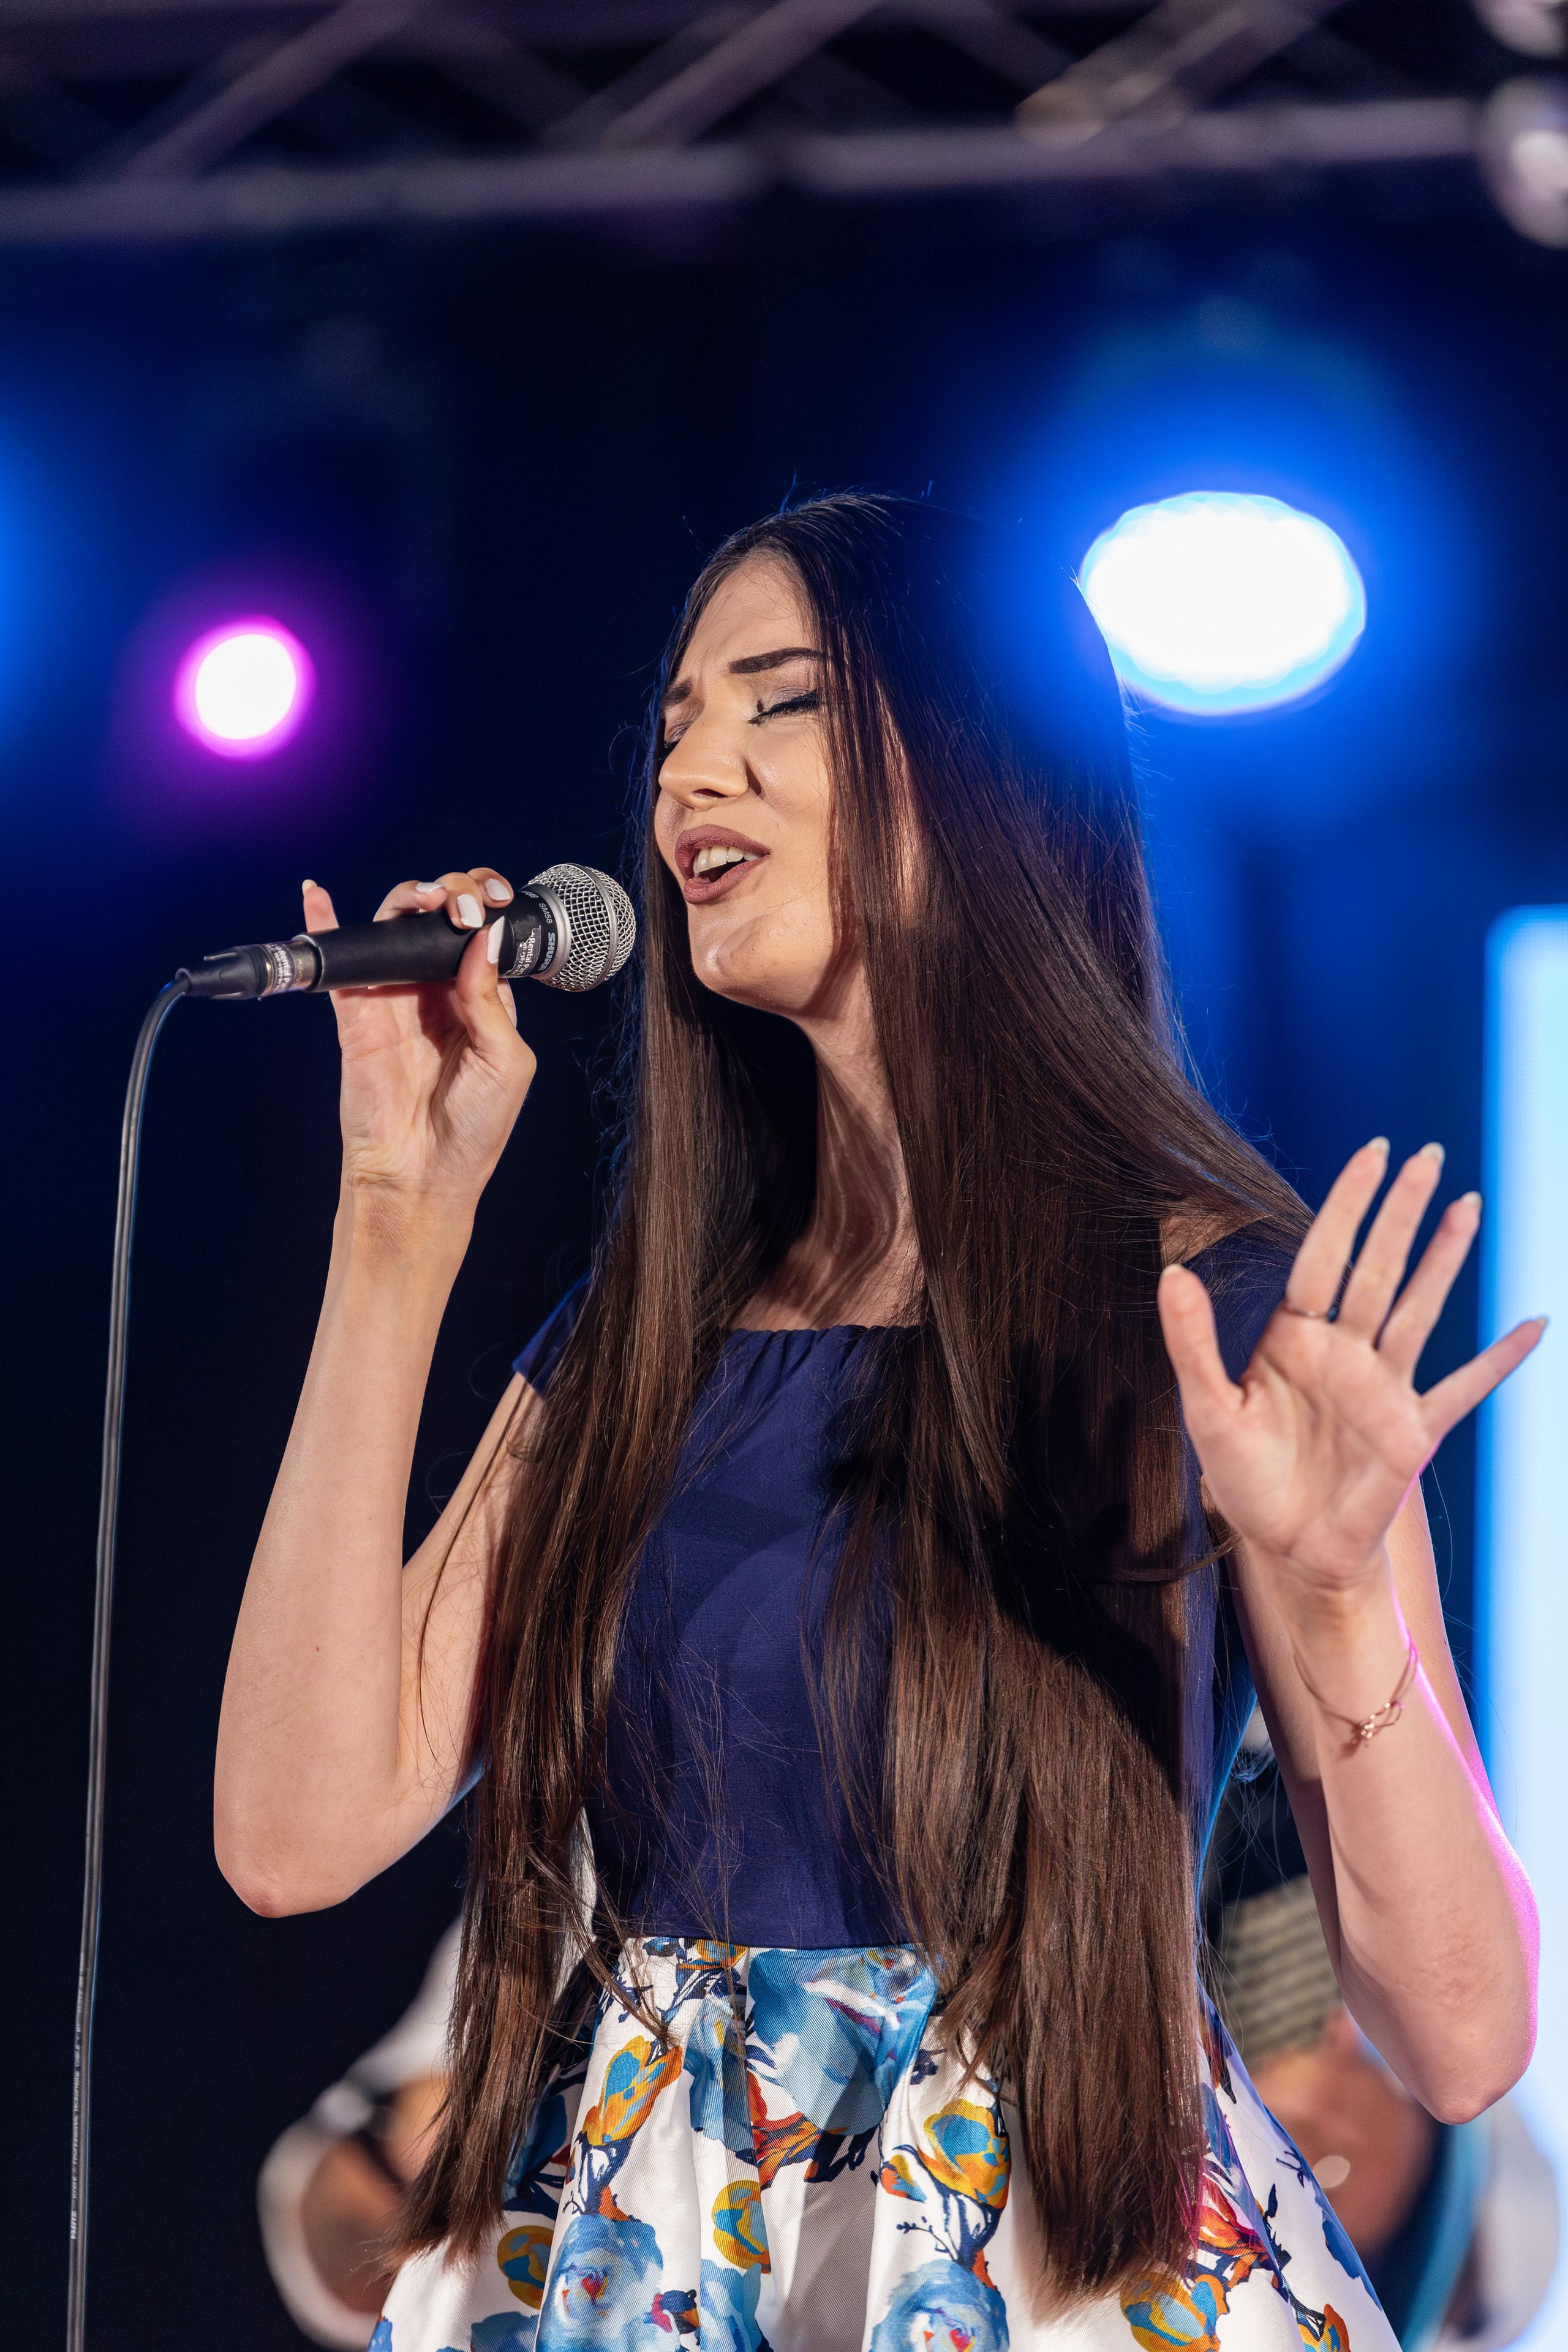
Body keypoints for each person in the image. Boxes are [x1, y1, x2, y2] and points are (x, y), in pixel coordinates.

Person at [214, 493, 1542, 2352]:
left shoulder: (1217, 1318)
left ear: (977, 775)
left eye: (782, 703)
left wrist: (1332, 1604)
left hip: (1051, 2265)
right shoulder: (647, 1338)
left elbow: (1462, 2039)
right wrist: (393, 1214)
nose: (695, 766)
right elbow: (292, 1830)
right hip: (663, 2263)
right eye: (676, 719)